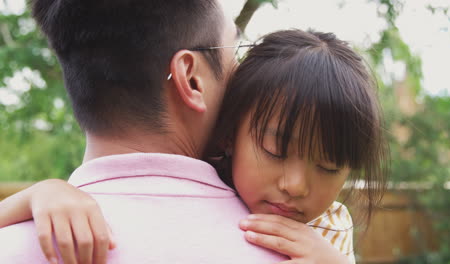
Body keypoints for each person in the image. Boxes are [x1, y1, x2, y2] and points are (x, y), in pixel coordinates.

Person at [1, 29, 388, 263]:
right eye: (275, 149)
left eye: (329, 166)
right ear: (228, 133)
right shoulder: (186, 185)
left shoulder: (331, 228)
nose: (296, 184)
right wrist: (45, 193)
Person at [0, 0, 290, 263]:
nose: (240, 74)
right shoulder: (295, 249)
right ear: (191, 79)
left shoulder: (12, 243)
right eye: (235, 54)